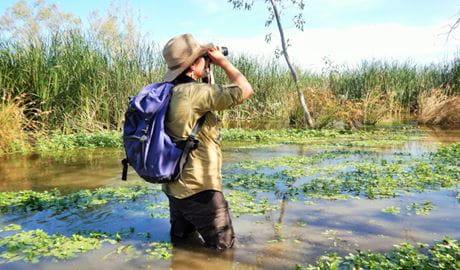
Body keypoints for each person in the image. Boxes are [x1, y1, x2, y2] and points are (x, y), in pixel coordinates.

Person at [161, 33, 253, 250]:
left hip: (174, 186)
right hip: (199, 187)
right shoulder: (195, 93)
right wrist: (223, 61)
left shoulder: (169, 91)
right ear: (193, 65)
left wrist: (206, 68)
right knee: (224, 250)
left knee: (182, 244)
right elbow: (245, 90)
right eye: (203, 57)